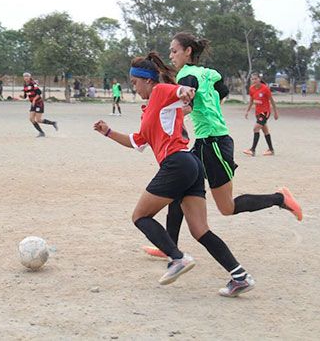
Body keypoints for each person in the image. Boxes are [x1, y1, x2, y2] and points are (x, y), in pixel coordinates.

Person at [95, 52, 255, 296]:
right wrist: (108, 132)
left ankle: (177, 258)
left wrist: (185, 91)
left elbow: (178, 92)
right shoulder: (149, 109)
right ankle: (240, 276)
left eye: (135, 82)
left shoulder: (160, 91)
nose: (134, 87)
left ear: (148, 80)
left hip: (177, 163)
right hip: (191, 165)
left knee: (140, 216)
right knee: (200, 229)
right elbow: (137, 141)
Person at [141, 33, 303, 264]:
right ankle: (170, 248)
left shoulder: (187, 75)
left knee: (227, 207)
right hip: (208, 141)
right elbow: (222, 93)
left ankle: (280, 199)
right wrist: (206, 109)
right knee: (177, 192)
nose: (171, 55)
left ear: (188, 51)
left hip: (213, 145)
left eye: (174, 50)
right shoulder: (207, 73)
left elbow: (185, 105)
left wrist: (162, 113)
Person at [243, 73, 279, 157]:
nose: (254, 81)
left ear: (259, 79)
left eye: (256, 79)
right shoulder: (251, 89)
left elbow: (272, 101)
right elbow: (251, 101)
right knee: (265, 131)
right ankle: (271, 150)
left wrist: (275, 112)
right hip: (258, 113)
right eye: (252, 79)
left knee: (256, 128)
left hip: (265, 112)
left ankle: (252, 150)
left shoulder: (265, 89)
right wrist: (247, 111)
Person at [23, 72, 58, 137]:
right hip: (33, 104)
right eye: (25, 76)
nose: (26, 77)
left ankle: (53, 123)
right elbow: (25, 95)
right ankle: (41, 132)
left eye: (27, 76)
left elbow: (39, 92)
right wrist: (22, 97)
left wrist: (34, 100)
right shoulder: (25, 85)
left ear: (30, 77)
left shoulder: (33, 83)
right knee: (31, 119)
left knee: (38, 120)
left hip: (39, 103)